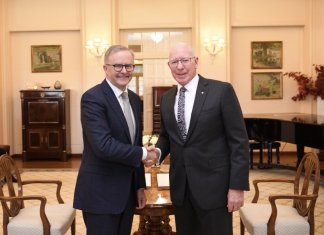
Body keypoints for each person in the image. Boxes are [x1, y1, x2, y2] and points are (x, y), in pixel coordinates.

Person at [155, 43, 250, 235]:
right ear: (169, 65)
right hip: (181, 188)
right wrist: (156, 152)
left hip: (215, 189)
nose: (179, 66)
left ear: (196, 61)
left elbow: (238, 141)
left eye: (185, 60)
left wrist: (237, 187)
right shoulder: (167, 98)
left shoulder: (221, 91)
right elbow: (167, 136)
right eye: (174, 62)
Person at [73, 45, 158, 235]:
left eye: (129, 66)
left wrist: (139, 186)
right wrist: (144, 153)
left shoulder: (135, 100)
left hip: (126, 194)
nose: (124, 71)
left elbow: (133, 143)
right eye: (118, 66)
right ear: (106, 68)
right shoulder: (92, 98)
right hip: (100, 194)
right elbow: (103, 146)